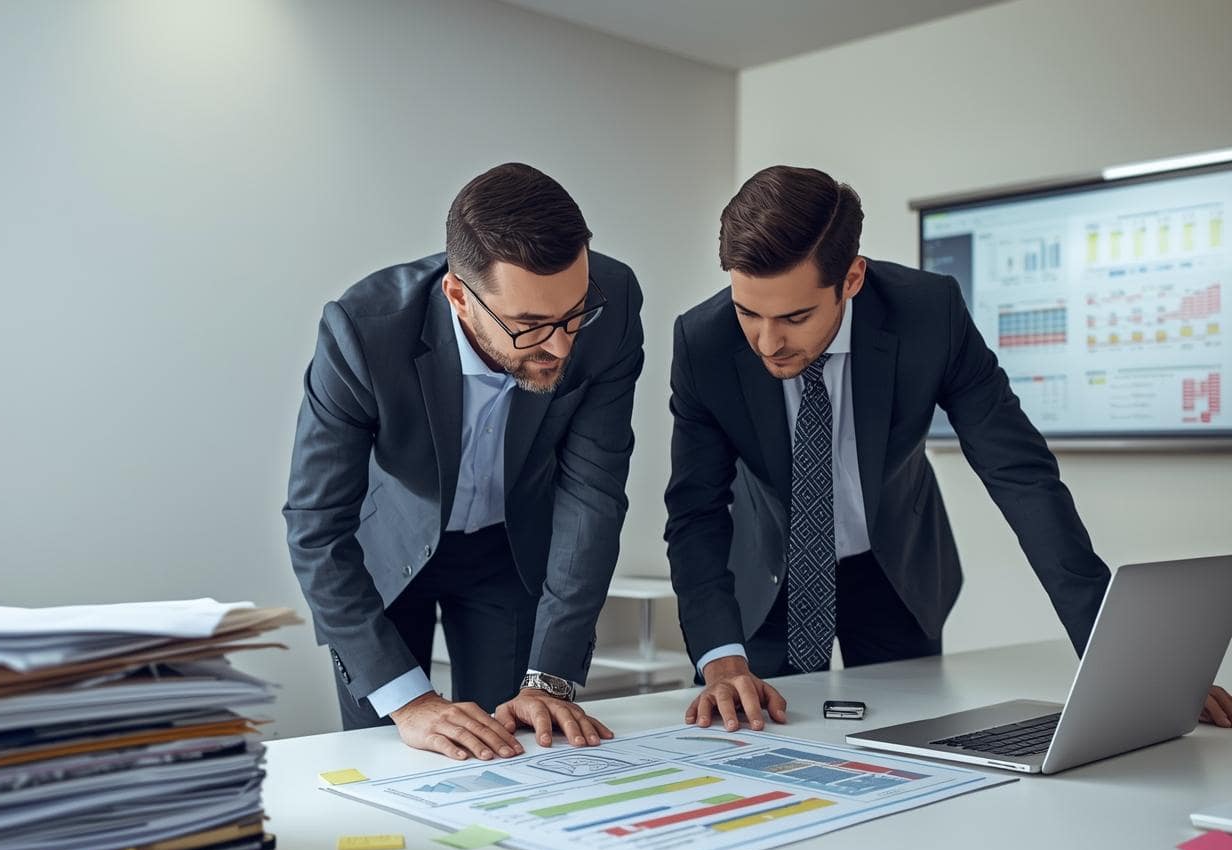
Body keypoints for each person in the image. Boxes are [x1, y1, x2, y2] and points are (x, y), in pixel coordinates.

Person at [663, 164, 1232, 731]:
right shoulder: (704, 342)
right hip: (762, 578)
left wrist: (1125, 660)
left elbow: (1021, 474)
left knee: (908, 750)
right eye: (748, 312)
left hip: (894, 571)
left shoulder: (929, 314)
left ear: (853, 278)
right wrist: (719, 656)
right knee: (747, 745)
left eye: (795, 316)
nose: (767, 341)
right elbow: (696, 512)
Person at [285, 162, 646, 760]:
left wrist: (549, 677)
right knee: (388, 757)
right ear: (459, 295)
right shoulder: (363, 330)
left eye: (574, 313)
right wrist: (409, 703)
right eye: (530, 326)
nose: (561, 346)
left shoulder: (613, 305)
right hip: (385, 561)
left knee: (515, 752)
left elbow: (593, 494)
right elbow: (315, 525)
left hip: (506, 551)